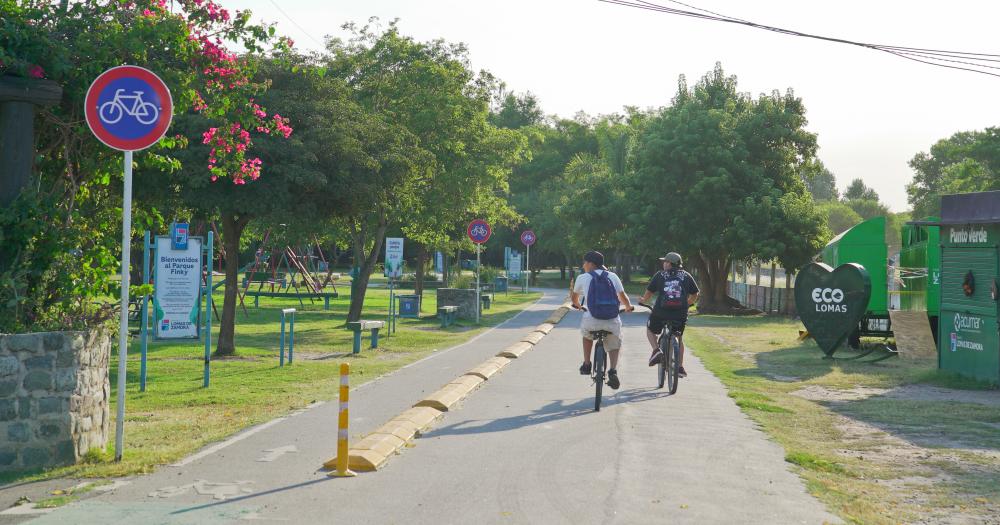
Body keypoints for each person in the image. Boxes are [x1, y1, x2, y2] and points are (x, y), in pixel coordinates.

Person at [571, 251, 634, 390]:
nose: (583, 265)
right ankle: (612, 370)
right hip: (612, 320)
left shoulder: (582, 277)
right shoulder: (613, 276)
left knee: (587, 335)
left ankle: (587, 364)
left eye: (585, 262)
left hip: (592, 319)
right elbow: (623, 297)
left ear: (590, 264)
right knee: (614, 342)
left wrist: (578, 305)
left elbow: (574, 299)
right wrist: (628, 307)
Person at [638, 252, 699, 378]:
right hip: (680, 313)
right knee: (678, 337)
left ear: (669, 263)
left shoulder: (660, 275)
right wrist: (686, 304)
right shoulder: (686, 276)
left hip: (661, 312)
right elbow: (695, 294)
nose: (663, 263)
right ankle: (680, 367)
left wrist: (643, 300)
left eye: (665, 261)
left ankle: (656, 350)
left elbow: (649, 292)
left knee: (650, 329)